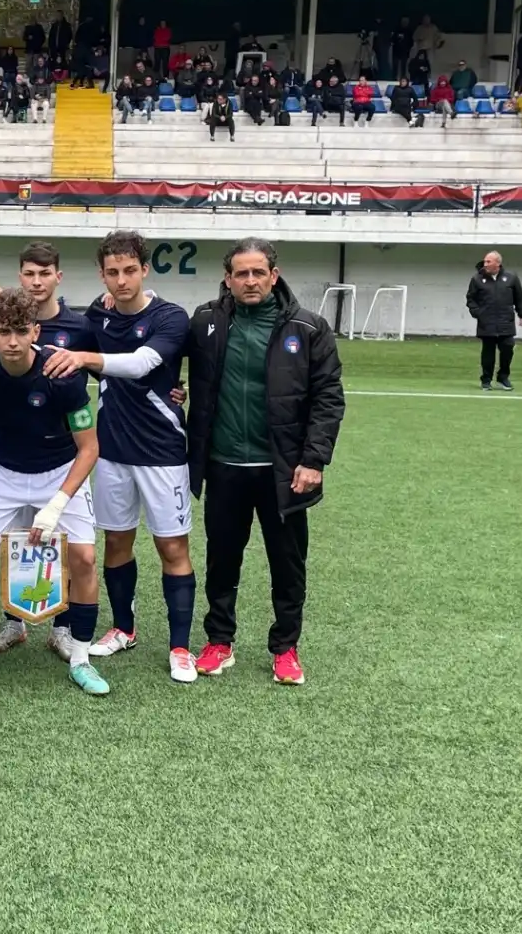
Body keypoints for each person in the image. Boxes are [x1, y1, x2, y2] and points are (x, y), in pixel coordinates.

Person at [185, 237, 345, 685]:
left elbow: (328, 399)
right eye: (241, 273)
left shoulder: (309, 328)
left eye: (258, 272)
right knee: (222, 559)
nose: (250, 281)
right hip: (224, 464)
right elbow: (163, 359)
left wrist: (313, 460)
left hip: (286, 471)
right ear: (228, 278)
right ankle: (219, 641)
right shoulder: (205, 322)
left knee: (288, 562)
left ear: (274, 275)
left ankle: (286, 648)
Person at [40, 232, 198, 682]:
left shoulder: (170, 316)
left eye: (130, 270)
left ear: (145, 270)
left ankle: (180, 647)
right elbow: (54, 322)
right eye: (113, 272)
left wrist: (82, 357)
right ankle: (124, 628)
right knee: (116, 543)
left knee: (171, 546)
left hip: (162, 451)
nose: (122, 280)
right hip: (110, 450)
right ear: (102, 274)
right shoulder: (98, 314)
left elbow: (142, 364)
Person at [0, 291, 107, 696]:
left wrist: (56, 505)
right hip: (1, 471)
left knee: (83, 557)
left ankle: (81, 659)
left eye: (21, 332)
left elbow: (89, 448)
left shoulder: (62, 374)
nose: (12, 341)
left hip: (60, 471)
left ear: (36, 332)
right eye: (4, 332)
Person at [466, 251, 522, 391]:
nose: (485, 264)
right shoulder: (477, 279)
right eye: (485, 261)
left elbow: (519, 298)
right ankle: (486, 380)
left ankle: (503, 378)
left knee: (508, 349)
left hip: (506, 322)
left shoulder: (511, 278)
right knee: (488, 353)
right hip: (486, 323)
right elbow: (471, 299)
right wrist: (477, 313)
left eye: (489, 262)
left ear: (498, 263)